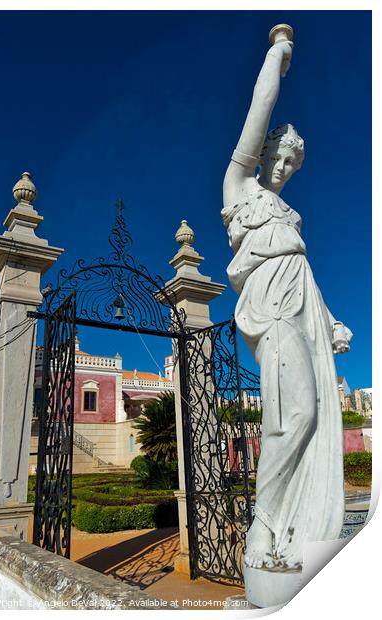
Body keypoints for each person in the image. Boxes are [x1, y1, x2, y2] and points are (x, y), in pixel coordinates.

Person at [221, 33, 352, 571]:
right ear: (265, 154)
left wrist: (330, 318)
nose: (284, 169)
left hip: (304, 316)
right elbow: (259, 109)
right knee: (295, 414)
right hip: (270, 316)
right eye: (280, 158)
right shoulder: (239, 188)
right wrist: (277, 56)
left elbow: (306, 274)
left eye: (292, 165)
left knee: (314, 414)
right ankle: (264, 525)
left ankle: (295, 531)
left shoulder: (289, 217)